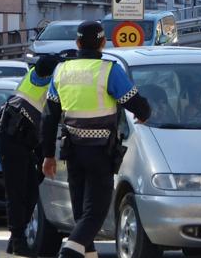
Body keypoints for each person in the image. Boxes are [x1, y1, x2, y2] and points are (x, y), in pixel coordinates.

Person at [41, 21, 151, 258]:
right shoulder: (109, 70)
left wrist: (48, 155)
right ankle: (69, 253)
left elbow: (49, 117)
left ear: (77, 43)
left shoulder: (61, 71)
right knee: (96, 211)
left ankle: (85, 253)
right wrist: (144, 114)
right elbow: (135, 103)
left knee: (82, 213)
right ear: (103, 43)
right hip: (100, 151)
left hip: (71, 151)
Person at [0, 55, 61, 256]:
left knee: (32, 189)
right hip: (10, 135)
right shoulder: (42, 78)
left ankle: (16, 237)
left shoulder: (38, 72)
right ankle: (18, 240)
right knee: (17, 190)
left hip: (28, 137)